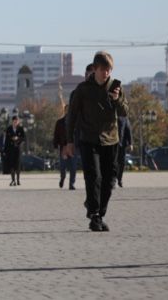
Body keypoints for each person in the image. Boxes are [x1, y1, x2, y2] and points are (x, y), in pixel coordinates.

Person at [63, 51, 126, 232]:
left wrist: (117, 100)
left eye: (109, 70)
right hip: (89, 140)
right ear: (95, 69)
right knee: (94, 177)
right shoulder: (83, 90)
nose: (106, 73)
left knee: (109, 181)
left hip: (111, 140)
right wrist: (69, 141)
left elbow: (124, 112)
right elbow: (71, 117)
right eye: (103, 70)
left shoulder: (116, 87)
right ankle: (95, 215)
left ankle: (99, 210)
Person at [53, 110, 78, 189]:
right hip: (63, 147)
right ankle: (62, 177)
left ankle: (71, 184)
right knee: (63, 166)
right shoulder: (60, 122)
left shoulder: (76, 122)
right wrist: (55, 145)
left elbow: (79, 133)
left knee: (73, 167)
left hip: (73, 147)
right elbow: (56, 134)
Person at [3, 115, 26, 187]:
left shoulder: (21, 128)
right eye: (14, 121)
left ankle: (18, 180)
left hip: (18, 149)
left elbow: (23, 138)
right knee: (11, 165)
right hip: (10, 149)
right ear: (12, 121)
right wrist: (5, 150)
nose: (15, 123)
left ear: (18, 122)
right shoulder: (9, 129)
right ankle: (13, 180)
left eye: (16, 121)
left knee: (17, 164)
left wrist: (18, 139)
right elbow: (6, 140)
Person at [114, 115, 131, 189]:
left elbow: (128, 130)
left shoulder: (124, 118)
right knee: (113, 162)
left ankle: (119, 179)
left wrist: (130, 143)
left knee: (122, 163)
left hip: (122, 144)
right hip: (112, 143)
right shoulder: (111, 115)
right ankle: (113, 180)